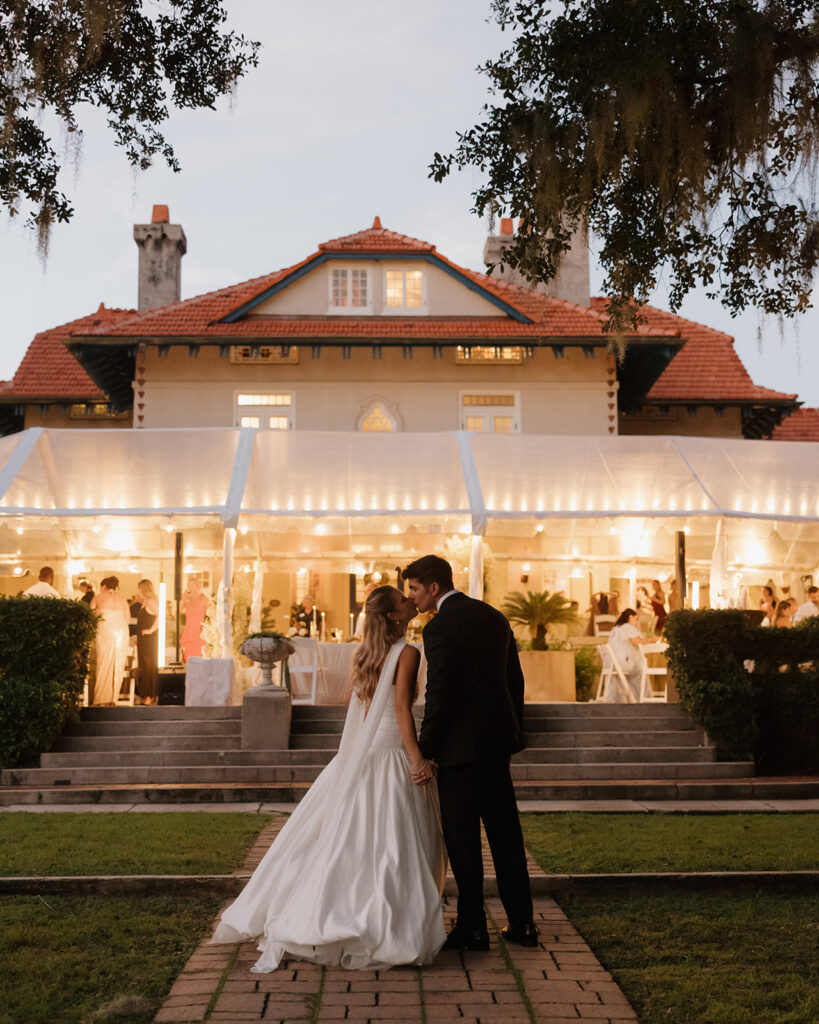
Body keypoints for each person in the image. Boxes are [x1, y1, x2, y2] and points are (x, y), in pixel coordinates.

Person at [211, 585, 446, 971]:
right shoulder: (408, 652)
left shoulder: (368, 653)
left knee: (358, 836)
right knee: (390, 840)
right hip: (391, 751)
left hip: (366, 752)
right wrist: (417, 759)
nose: (410, 601)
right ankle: (381, 920)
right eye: (403, 600)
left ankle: (344, 911)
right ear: (393, 615)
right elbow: (402, 709)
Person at [403, 554, 537, 952]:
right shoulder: (494, 617)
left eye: (413, 589)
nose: (411, 597)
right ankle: (523, 924)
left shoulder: (440, 626)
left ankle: (473, 927)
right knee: (506, 837)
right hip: (496, 748)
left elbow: (439, 694)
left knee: (463, 842)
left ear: (433, 587)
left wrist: (424, 750)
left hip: (458, 754)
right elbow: (515, 681)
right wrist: (512, 733)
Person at [90, 577, 131, 705]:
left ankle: (100, 698)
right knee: (117, 663)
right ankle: (113, 698)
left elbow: (91, 616)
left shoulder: (98, 597)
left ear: (104, 586)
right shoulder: (122, 599)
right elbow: (128, 619)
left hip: (105, 630)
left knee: (103, 663)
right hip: (121, 631)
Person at [604, 608, 657, 702]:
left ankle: (633, 698)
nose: (636, 622)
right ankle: (644, 698)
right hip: (624, 663)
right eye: (636, 619)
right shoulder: (627, 627)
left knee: (638, 669)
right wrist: (652, 640)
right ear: (630, 617)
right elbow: (637, 642)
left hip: (613, 664)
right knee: (641, 669)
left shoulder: (615, 629)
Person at [135, 579, 160, 705]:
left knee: (148, 667)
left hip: (149, 640)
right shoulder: (145, 602)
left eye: (139, 588)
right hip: (143, 639)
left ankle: (150, 695)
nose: (138, 591)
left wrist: (150, 630)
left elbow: (160, 616)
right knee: (145, 667)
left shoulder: (151, 602)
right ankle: (147, 694)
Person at [181, 576, 209, 662]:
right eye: (188, 585)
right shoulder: (187, 600)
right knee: (188, 659)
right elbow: (176, 613)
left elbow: (211, 616)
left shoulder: (204, 599)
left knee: (200, 658)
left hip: (200, 632)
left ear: (198, 587)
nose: (190, 588)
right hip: (189, 632)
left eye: (192, 585)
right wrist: (182, 599)